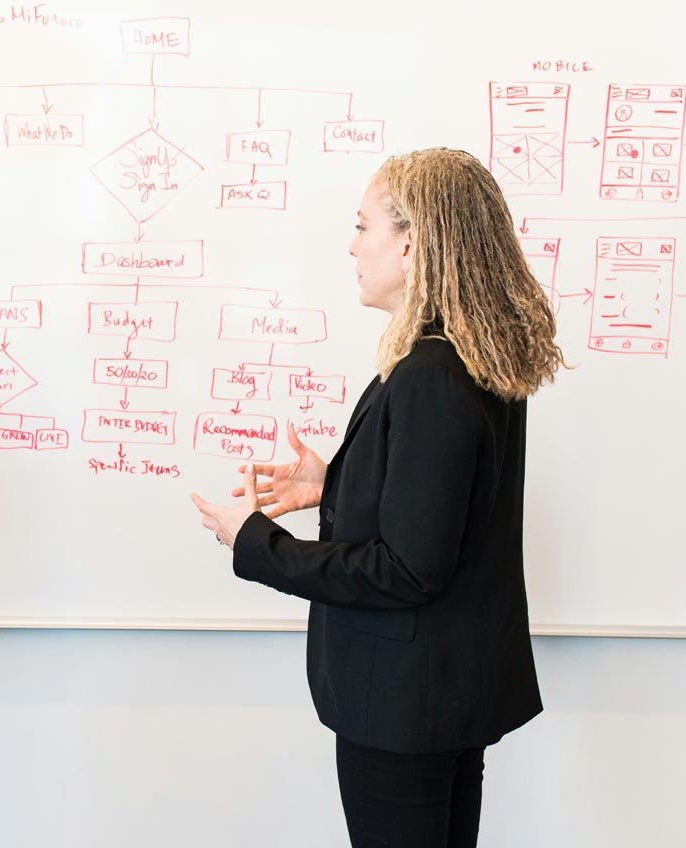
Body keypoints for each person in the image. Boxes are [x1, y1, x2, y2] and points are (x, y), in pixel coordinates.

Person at [191, 148, 566, 847]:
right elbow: (448, 506)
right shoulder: (472, 358)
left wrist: (256, 542)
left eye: (363, 226)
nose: (353, 245)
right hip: (443, 697)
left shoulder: (431, 373)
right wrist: (330, 484)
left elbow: (407, 568)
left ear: (412, 240)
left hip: (405, 708)